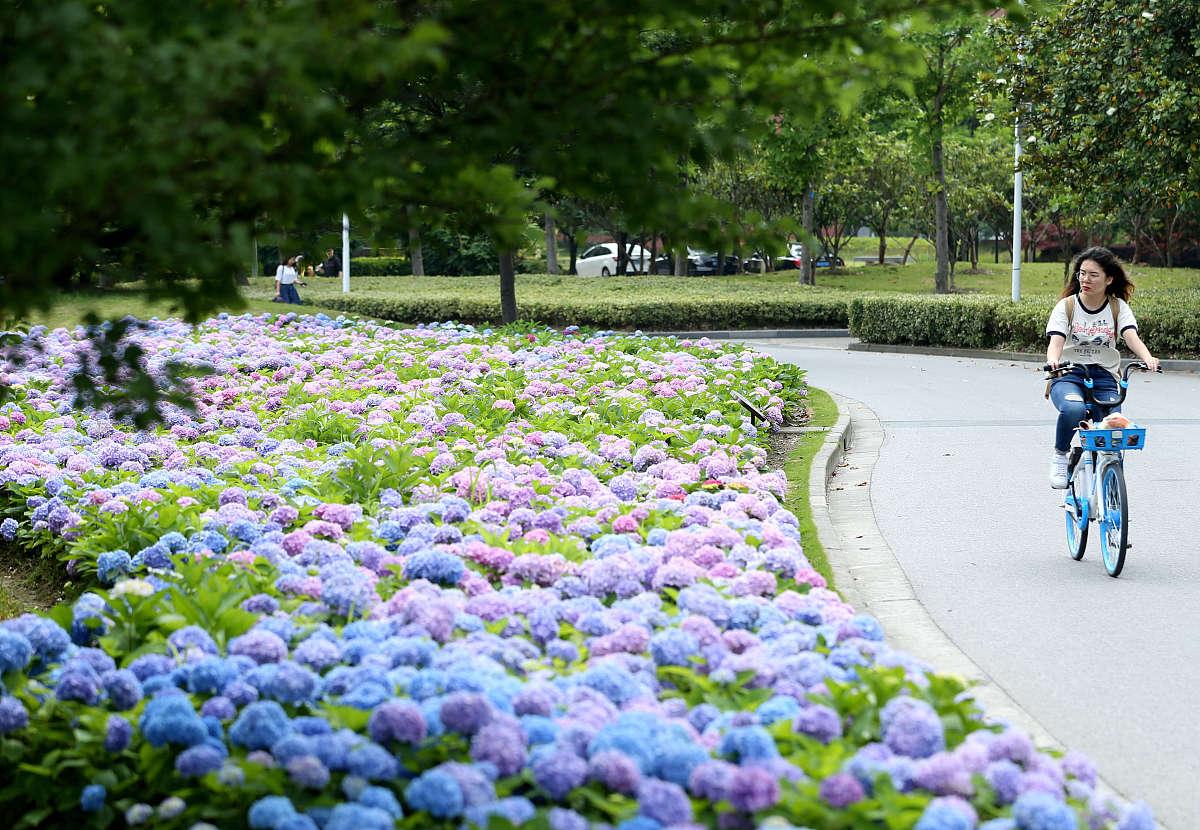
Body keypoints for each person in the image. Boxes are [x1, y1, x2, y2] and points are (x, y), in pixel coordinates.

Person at [1044, 246, 1159, 488]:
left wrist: (1148, 358)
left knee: (1113, 426)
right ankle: (1060, 455)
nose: (1085, 279)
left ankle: (1109, 486)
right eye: (1082, 273)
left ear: (1109, 279)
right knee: (1074, 409)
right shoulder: (1067, 306)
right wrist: (1054, 361)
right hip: (1069, 374)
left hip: (1105, 376)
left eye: (1093, 275)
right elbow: (1056, 342)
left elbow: (1130, 336)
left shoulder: (1117, 307)